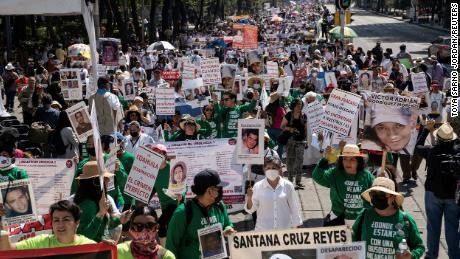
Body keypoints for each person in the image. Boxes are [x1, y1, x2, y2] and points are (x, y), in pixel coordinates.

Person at [166, 169, 236, 259]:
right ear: (209, 190)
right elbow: (171, 245)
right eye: (218, 189)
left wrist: (228, 229)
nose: (220, 192)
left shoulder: (219, 206)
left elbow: (228, 224)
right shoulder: (183, 212)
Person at [415, 121, 460, 258]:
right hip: (453, 195)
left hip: (432, 193)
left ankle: (432, 255)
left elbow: (417, 147)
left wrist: (426, 129)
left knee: (433, 226)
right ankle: (454, 256)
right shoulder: (458, 151)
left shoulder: (431, 151)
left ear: (438, 138)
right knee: (452, 228)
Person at [352, 177, 425, 259]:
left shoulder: (405, 219)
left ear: (393, 197)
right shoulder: (364, 215)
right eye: (373, 194)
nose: (376, 197)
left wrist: (411, 256)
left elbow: (419, 247)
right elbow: (351, 239)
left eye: (382, 194)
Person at [313, 144, 375, 226]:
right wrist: (325, 159)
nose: (347, 162)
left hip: (360, 219)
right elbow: (317, 176)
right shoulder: (334, 173)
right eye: (345, 159)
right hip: (338, 217)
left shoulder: (367, 175)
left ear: (358, 161)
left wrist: (381, 183)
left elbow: (375, 193)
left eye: (352, 159)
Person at [0, 200, 95, 250]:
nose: (60, 224)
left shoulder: (90, 246)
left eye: (66, 219)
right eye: (56, 220)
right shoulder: (41, 242)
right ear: (52, 223)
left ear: (77, 223)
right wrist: (2, 221)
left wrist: (109, 246)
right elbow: (8, 250)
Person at [74, 161, 131, 242]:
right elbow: (84, 236)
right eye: (105, 178)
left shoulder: (96, 201)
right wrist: (100, 213)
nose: (108, 180)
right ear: (95, 181)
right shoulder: (88, 204)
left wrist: (120, 219)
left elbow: (101, 226)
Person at [245, 156, 302, 230]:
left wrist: (298, 225)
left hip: (284, 230)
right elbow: (251, 209)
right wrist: (249, 198)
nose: (271, 170)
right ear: (264, 170)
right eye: (268, 168)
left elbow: (294, 207)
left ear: (279, 169)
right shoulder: (258, 186)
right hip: (263, 230)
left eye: (274, 168)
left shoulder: (288, 185)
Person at [280, 98, 307, 188]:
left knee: (299, 161)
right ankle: (290, 181)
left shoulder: (304, 115)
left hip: (301, 141)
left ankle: (298, 181)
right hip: (290, 141)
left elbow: (305, 129)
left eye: (301, 104)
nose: (299, 106)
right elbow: (282, 126)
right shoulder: (288, 115)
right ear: (294, 105)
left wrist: (306, 140)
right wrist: (290, 129)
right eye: (298, 104)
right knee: (290, 161)